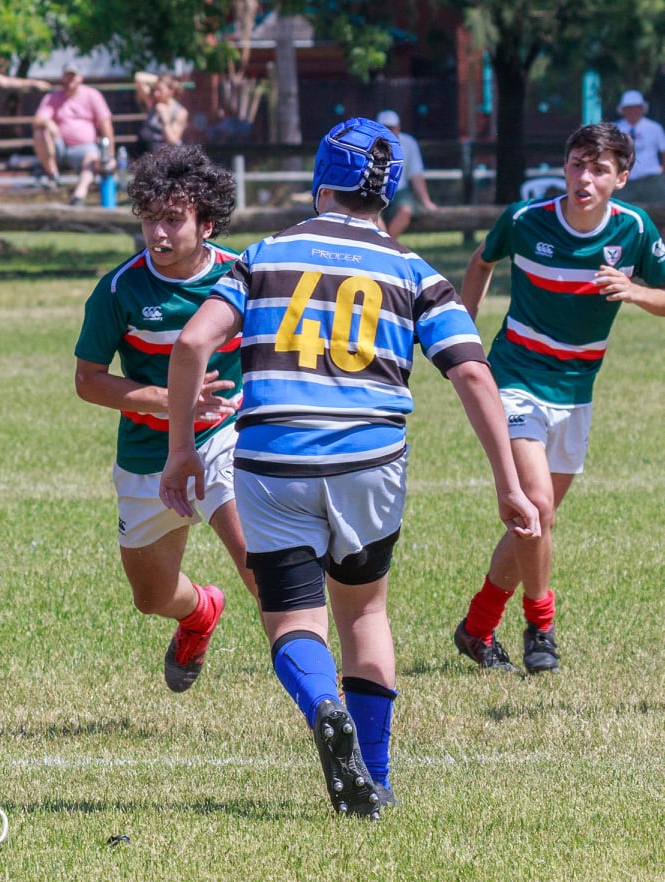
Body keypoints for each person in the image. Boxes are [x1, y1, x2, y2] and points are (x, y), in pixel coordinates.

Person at [160, 118, 539, 816]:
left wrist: (182, 448)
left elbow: (191, 344)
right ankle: (377, 777)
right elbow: (474, 376)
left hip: (273, 459)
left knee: (292, 622)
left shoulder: (266, 253)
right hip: (371, 462)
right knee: (364, 611)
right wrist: (508, 484)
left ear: (320, 180)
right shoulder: (413, 270)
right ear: (388, 193)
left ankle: (322, 704)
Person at [452, 122, 665, 675]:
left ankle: (477, 628)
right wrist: (464, 335)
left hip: (577, 391)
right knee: (538, 506)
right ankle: (540, 625)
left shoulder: (636, 230)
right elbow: (480, 262)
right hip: (515, 377)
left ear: (621, 177)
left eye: (598, 169)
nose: (584, 177)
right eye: (576, 164)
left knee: (532, 523)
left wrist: (635, 290)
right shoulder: (527, 220)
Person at [74, 144, 257, 692]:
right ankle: (199, 613)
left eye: (174, 220)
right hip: (148, 454)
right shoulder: (119, 289)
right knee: (151, 597)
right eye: (151, 218)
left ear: (207, 223)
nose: (159, 233)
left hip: (227, 435)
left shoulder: (243, 275)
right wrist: (170, 398)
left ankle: (326, 691)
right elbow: (88, 381)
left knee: (259, 566)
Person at [33, 63, 117, 205]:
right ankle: (53, 175)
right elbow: (37, 120)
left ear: (80, 78)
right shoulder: (53, 97)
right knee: (40, 132)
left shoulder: (92, 95)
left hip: (86, 149)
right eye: (68, 75)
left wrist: (110, 156)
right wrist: (48, 123)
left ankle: (79, 195)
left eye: (74, 75)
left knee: (91, 159)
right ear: (62, 77)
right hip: (58, 148)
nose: (70, 79)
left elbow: (106, 126)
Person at [376, 110, 438, 237]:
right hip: (376, 189)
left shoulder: (409, 143)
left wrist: (426, 201)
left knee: (406, 210)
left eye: (391, 127)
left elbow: (416, 175)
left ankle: (387, 245)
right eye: (385, 128)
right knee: (372, 213)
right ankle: (388, 247)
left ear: (398, 127)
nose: (388, 131)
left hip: (400, 190)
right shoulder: (369, 145)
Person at [615, 90, 665, 205]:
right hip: (625, 180)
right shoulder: (616, 128)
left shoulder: (654, 128)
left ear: (642, 109)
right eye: (628, 108)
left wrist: (663, 172)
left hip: (651, 179)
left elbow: (663, 150)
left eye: (636, 107)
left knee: (659, 211)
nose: (632, 111)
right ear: (623, 110)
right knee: (620, 210)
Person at [134, 73, 188, 156]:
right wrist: (160, 80)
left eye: (160, 90)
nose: (156, 93)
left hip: (167, 157)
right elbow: (138, 77)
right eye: (155, 89)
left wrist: (164, 118)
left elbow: (173, 141)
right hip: (147, 153)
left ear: (171, 91)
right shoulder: (153, 102)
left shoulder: (180, 112)